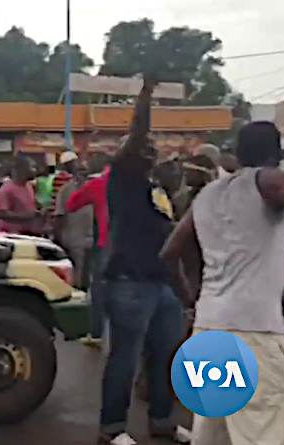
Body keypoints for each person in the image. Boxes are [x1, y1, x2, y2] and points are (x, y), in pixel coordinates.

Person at [161, 121, 284, 445]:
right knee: (264, 433)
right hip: (254, 332)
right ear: (276, 155)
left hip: (209, 329)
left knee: (213, 434)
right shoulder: (268, 180)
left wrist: (192, 300)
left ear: (237, 153)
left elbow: (169, 253)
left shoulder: (208, 194)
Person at [98, 75, 189, 445]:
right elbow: (137, 134)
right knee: (125, 357)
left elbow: (168, 238)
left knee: (164, 355)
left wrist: (182, 287)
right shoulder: (123, 178)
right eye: (145, 145)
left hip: (159, 282)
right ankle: (112, 428)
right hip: (129, 281)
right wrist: (146, 98)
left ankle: (162, 420)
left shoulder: (154, 189)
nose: (152, 148)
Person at [67, 158, 111, 347]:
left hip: (106, 243)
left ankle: (96, 333)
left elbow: (72, 205)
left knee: (99, 289)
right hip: (133, 245)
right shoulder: (142, 184)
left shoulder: (98, 184)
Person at [54, 161, 93, 289]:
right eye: (80, 170)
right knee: (76, 273)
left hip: (91, 238)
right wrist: (57, 237)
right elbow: (60, 215)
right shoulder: (66, 190)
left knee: (89, 273)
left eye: (85, 171)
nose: (82, 174)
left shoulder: (94, 188)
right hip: (73, 237)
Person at [0, 156, 39, 235]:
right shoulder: (6, 189)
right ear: (21, 170)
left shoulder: (28, 186)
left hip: (27, 233)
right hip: (10, 235)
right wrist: (24, 217)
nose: (35, 171)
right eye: (32, 167)